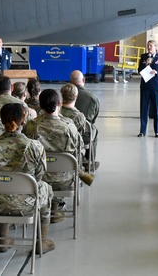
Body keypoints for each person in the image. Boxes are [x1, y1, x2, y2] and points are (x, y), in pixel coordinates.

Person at [0, 103, 55, 253]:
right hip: (26, 204)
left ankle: (3, 238)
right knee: (45, 188)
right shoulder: (34, 146)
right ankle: (42, 241)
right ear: (23, 120)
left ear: (2, 120)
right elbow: (40, 175)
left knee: (0, 187)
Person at [24, 88, 94, 219]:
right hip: (65, 178)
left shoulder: (31, 126)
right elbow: (78, 150)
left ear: (40, 105)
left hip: (37, 178)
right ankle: (55, 208)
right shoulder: (69, 126)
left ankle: (45, 207)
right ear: (60, 103)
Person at [137, 39, 158, 137]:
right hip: (145, 86)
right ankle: (142, 131)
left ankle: (157, 131)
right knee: (144, 109)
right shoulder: (144, 57)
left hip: (156, 87)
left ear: (155, 47)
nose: (149, 48)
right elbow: (139, 70)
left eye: (151, 46)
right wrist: (146, 65)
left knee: (157, 109)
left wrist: (157, 72)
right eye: (148, 46)